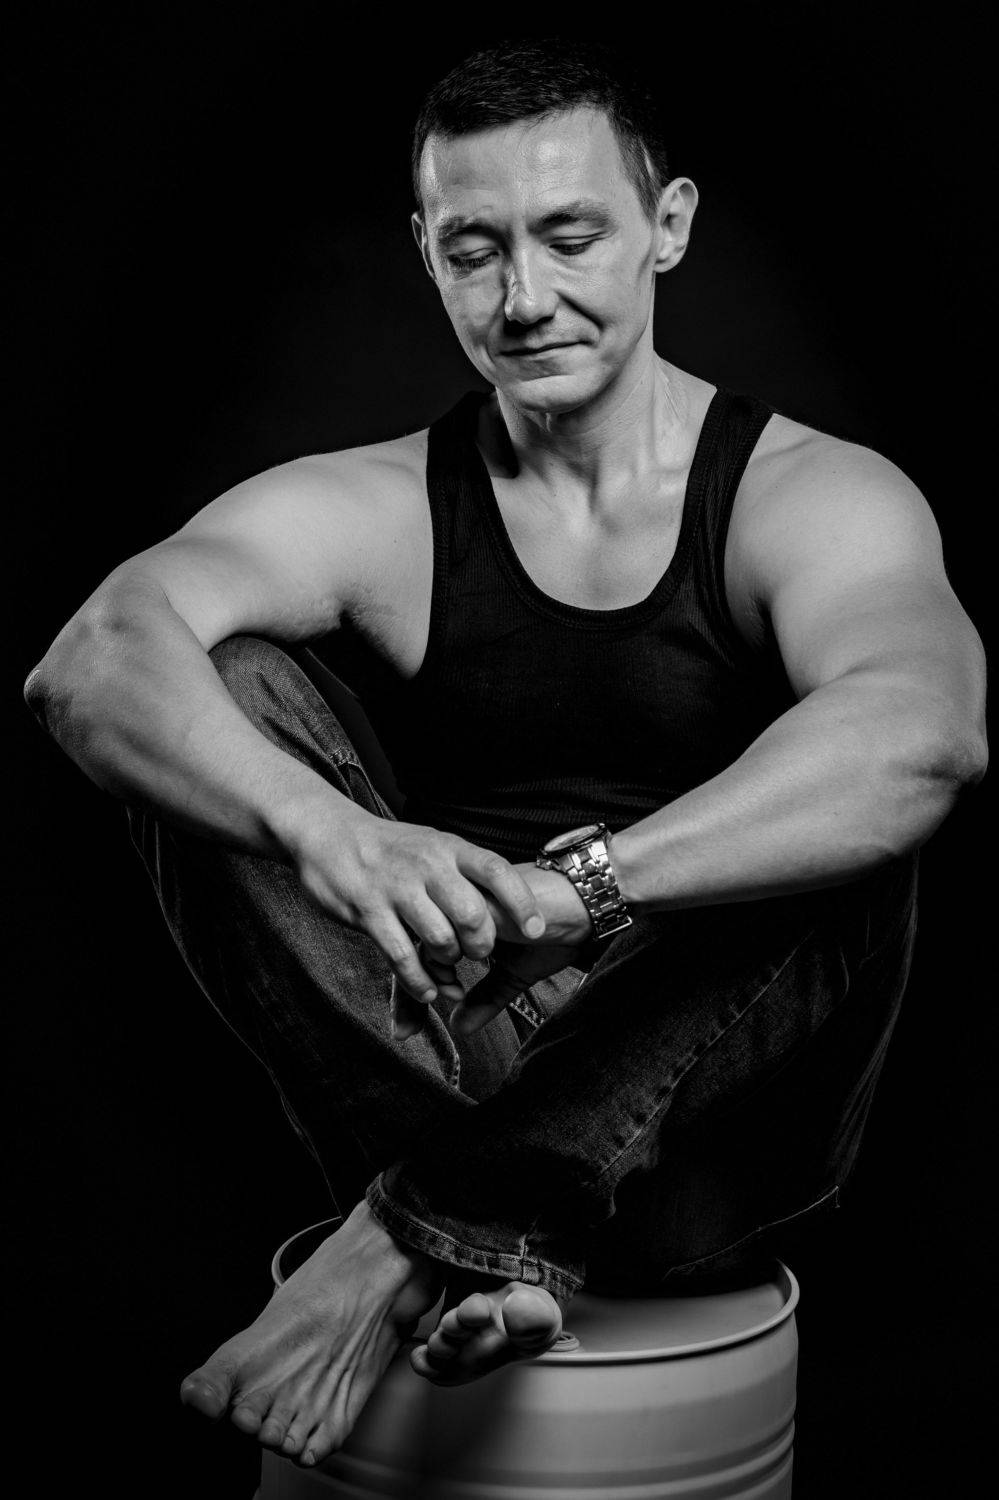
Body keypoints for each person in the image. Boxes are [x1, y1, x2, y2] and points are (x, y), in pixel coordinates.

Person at [24, 37, 986, 1474]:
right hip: (440, 1066)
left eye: (570, 237)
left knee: (841, 799)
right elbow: (90, 660)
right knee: (205, 697)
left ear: (666, 228)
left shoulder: (811, 496)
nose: (524, 297)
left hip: (709, 1142)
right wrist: (324, 830)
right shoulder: (383, 505)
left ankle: (427, 1234)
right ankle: (494, 1237)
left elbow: (927, 737)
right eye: (476, 251)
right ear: (428, 255)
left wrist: (575, 892)